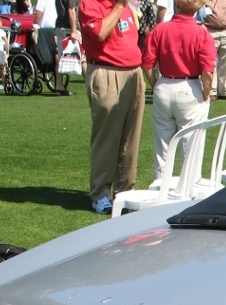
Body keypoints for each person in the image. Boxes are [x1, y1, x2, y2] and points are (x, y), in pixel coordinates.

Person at [79, 0, 146, 213]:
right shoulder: (90, 4)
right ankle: (99, 193)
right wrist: (118, 6)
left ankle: (125, 190)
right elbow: (100, 33)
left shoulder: (125, 5)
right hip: (107, 71)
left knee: (130, 137)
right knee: (107, 137)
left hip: (133, 72)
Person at [141, 0, 215, 179]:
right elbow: (207, 71)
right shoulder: (201, 33)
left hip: (165, 85)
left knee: (162, 148)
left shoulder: (160, 30)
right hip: (190, 87)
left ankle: (159, 189)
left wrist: (156, 84)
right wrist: (206, 92)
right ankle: (187, 192)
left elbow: (147, 65)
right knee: (192, 146)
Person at [200, 0, 226, 100]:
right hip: (210, 31)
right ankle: (211, 91)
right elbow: (198, 16)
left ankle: (224, 91)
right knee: (210, 62)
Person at [55, 0, 80, 94]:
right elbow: (71, 10)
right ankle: (91, 84)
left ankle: (59, 85)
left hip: (60, 26)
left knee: (61, 57)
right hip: (69, 28)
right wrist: (74, 30)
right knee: (83, 58)